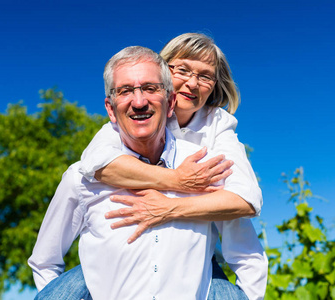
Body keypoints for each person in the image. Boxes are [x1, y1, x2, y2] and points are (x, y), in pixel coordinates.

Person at [28, 46, 267, 299]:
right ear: (110, 110)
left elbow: (247, 202)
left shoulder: (212, 152)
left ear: (169, 100)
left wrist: (169, 208)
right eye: (183, 70)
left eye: (205, 76)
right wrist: (178, 181)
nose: (192, 83)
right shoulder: (93, 163)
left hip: (204, 271)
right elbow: (93, 164)